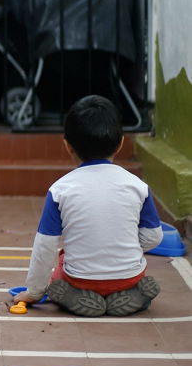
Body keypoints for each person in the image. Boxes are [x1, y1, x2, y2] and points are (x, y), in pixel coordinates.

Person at [13, 95, 164, 317]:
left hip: (80, 280)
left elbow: (45, 246)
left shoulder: (60, 190)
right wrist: (123, 243)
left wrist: (34, 292)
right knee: (135, 277)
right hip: (127, 277)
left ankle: (69, 297)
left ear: (67, 146)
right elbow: (154, 237)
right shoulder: (138, 186)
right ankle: (136, 295)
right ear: (121, 142)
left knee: (58, 278)